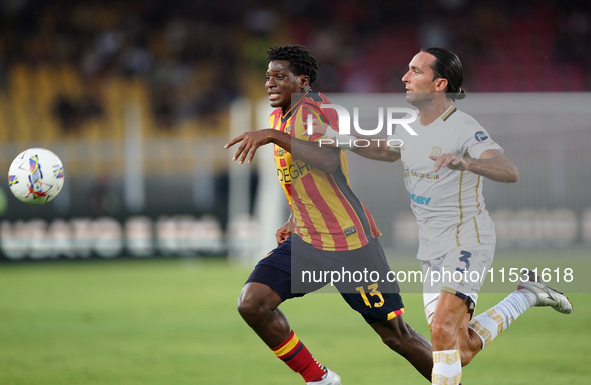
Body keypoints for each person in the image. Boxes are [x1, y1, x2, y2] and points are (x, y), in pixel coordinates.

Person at [318, 47, 574, 385]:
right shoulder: (410, 126)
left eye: (415, 71)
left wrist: (467, 162)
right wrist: (343, 140)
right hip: (431, 248)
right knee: (458, 348)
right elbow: (386, 150)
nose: (405, 77)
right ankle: (527, 294)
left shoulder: (464, 128)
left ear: (440, 84)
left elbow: (507, 170)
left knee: (441, 329)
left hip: (467, 239)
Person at [225, 45, 434, 385]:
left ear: (302, 81)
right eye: (268, 77)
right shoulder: (279, 116)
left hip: (349, 242)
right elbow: (303, 177)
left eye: (280, 77)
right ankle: (320, 379)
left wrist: (272, 137)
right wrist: (294, 217)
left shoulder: (317, 109)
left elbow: (327, 160)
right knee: (253, 303)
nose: (270, 83)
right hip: (308, 240)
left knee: (396, 336)